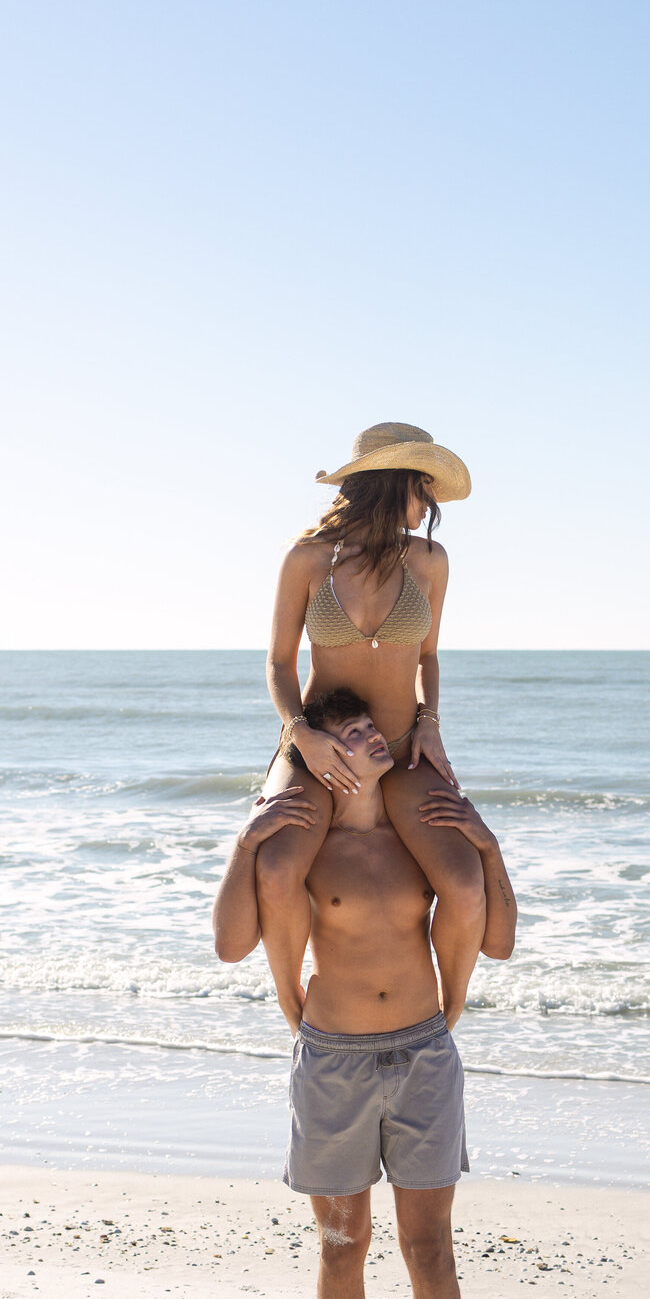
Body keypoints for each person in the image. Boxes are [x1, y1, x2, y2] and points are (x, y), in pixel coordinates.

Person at [213, 686, 516, 1299]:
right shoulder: (305, 854)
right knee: (341, 1246)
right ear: (322, 757)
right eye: (352, 732)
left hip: (421, 1056)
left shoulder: (422, 845)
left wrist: (488, 846)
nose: (373, 737)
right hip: (335, 1062)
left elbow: (502, 940)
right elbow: (229, 945)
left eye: (371, 726)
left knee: (429, 1249)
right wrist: (244, 845)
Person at [257, 421, 486, 1036]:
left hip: (403, 747)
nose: (428, 506)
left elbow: (429, 656)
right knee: (277, 868)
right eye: (423, 489)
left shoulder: (429, 562)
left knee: (464, 880)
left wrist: (431, 725)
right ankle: (290, 1004)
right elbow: (279, 664)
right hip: (316, 745)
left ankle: (449, 1011)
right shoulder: (308, 560)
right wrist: (300, 733)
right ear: (394, 484)